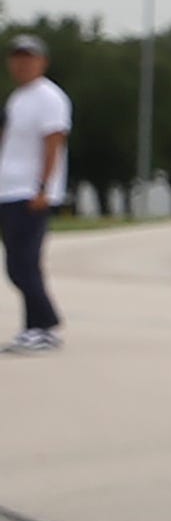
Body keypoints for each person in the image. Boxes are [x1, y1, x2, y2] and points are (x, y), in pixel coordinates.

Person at [2, 36, 63, 348]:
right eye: (17, 58)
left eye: (29, 58)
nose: (22, 64)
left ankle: (44, 325)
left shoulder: (49, 98)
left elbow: (53, 143)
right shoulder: (18, 98)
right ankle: (37, 325)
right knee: (17, 264)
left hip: (31, 192)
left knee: (23, 263)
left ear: (42, 62)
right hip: (9, 190)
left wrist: (43, 187)